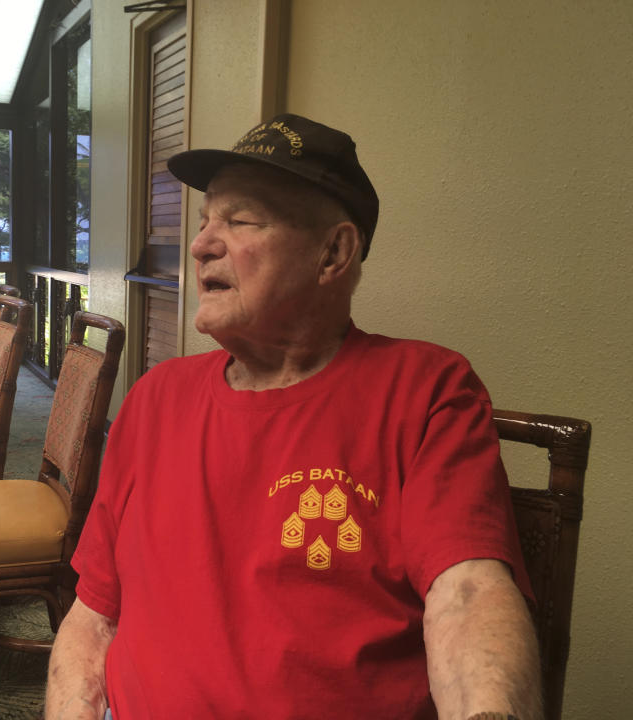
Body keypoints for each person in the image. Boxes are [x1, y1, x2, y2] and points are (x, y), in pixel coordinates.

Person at [45, 114, 541, 720]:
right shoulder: (155, 397)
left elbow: (466, 595)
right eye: (205, 221)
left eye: (241, 220)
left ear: (333, 251)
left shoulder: (425, 391)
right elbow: (95, 614)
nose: (201, 244)